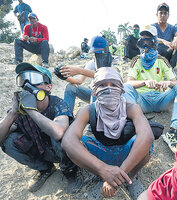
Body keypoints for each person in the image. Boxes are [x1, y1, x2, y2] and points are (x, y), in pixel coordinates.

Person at [61, 67, 154, 200]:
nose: (109, 89)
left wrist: (117, 177)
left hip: (128, 154)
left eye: (114, 84)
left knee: (145, 144)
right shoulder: (87, 110)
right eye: (102, 85)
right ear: (94, 91)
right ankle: (103, 177)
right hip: (102, 154)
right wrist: (103, 170)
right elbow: (68, 141)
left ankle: (131, 177)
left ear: (121, 89)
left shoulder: (132, 108)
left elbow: (147, 137)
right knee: (75, 146)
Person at [0, 63, 82, 193]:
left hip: (61, 151)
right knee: (7, 141)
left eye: (34, 79)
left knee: (63, 136)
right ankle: (45, 168)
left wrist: (32, 111)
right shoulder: (20, 111)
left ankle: (70, 172)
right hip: (40, 150)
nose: (27, 84)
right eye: (23, 78)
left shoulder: (58, 104)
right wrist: (13, 113)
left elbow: (59, 133)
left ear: (48, 87)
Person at [123, 25, 177, 153]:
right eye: (143, 40)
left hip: (160, 99)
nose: (146, 44)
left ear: (155, 42)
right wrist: (145, 83)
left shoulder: (162, 60)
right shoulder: (136, 60)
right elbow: (129, 82)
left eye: (149, 40)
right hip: (141, 101)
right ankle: (131, 126)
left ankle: (174, 132)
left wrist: (167, 83)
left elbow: (174, 82)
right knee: (125, 87)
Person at [54, 35, 112, 112]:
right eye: (95, 52)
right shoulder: (92, 63)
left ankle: (95, 117)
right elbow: (79, 80)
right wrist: (64, 76)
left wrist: (80, 70)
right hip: (92, 94)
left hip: (110, 96)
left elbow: (107, 77)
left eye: (99, 52)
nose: (97, 55)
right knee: (71, 88)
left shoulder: (114, 62)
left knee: (97, 90)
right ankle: (66, 117)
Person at [152, 3, 177, 68]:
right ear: (157, 14)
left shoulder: (172, 28)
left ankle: (171, 67)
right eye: (161, 13)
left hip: (167, 53)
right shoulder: (152, 27)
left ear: (168, 15)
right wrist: (164, 41)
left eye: (165, 13)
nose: (163, 15)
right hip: (155, 53)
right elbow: (150, 37)